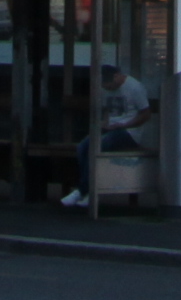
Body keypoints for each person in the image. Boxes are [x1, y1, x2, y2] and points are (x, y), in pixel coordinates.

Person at [63, 59, 153, 210]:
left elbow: (146, 114)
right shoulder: (104, 88)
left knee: (99, 145)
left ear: (117, 76)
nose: (108, 89)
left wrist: (124, 125)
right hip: (111, 128)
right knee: (83, 147)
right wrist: (104, 123)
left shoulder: (135, 87)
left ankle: (83, 190)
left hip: (129, 132)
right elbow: (107, 111)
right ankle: (87, 190)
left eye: (110, 85)